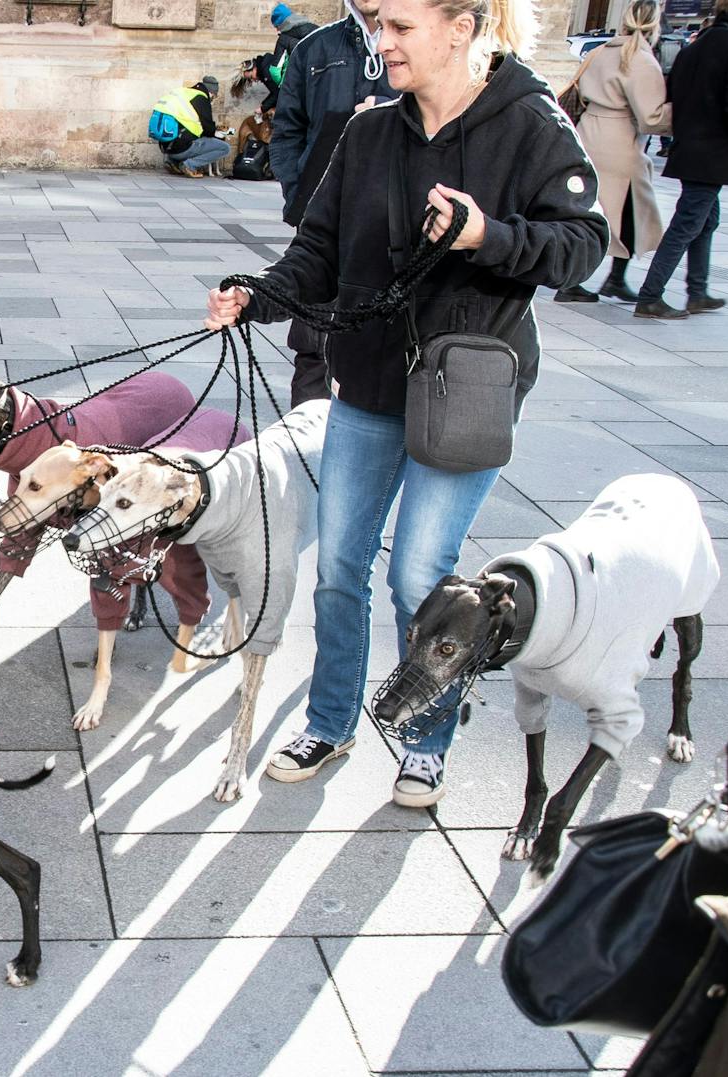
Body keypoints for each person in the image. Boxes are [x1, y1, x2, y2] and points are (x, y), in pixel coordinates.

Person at [205, 0, 607, 806]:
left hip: (466, 392)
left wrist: (486, 235)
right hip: (370, 382)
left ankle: (426, 736)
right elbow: (317, 250)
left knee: (420, 574)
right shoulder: (370, 133)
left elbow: (582, 246)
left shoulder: (530, 123)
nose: (380, 42)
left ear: (460, 28)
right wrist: (256, 295)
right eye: (378, 25)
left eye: (399, 28)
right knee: (339, 567)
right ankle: (332, 718)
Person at [268, 0, 394, 407]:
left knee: (384, 350)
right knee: (313, 347)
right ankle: (305, 456)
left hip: (396, 226)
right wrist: (300, 192)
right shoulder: (315, 47)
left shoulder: (426, 48)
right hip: (324, 224)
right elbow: (288, 129)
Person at [634, 0, 728, 318]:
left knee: (707, 219)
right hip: (715, 151)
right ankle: (650, 295)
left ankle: (697, 291)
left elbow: (673, 92)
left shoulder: (695, 47)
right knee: (687, 223)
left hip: (691, 146)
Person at [554, 0, 671, 304]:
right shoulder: (640, 59)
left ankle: (579, 280)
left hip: (587, 133)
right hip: (619, 142)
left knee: (584, 209)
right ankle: (613, 278)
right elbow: (652, 116)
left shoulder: (599, 51)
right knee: (629, 213)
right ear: (654, 24)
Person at [152, 76, 231, 177]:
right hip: (183, 148)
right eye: (214, 96)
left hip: (167, 148)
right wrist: (218, 132)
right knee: (225, 148)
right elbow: (208, 129)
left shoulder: (185, 93)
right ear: (211, 93)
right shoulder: (201, 97)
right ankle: (190, 165)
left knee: (187, 134)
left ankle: (173, 161)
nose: (212, 99)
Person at [262, 3, 321, 110]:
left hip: (294, 89)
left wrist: (284, 84)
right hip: (318, 86)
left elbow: (275, 71)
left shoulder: (284, 39)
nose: (277, 30)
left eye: (276, 26)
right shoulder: (317, 30)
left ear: (281, 24)